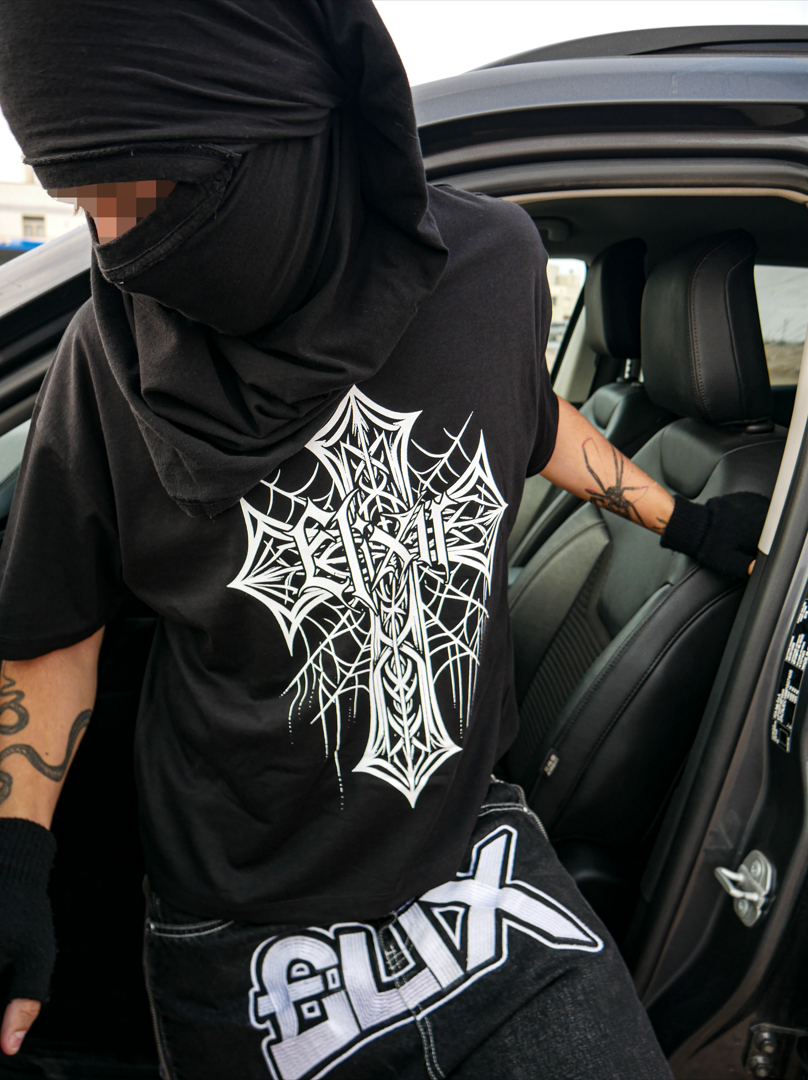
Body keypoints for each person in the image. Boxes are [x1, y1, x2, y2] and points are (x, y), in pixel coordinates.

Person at [0, 3, 766, 1078]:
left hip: (475, 855)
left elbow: (527, 414)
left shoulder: (487, 265)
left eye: (156, 192)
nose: (122, 245)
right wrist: (15, 858)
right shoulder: (110, 355)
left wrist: (684, 520)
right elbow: (56, 624)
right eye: (90, 203)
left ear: (277, 117)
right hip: (241, 921)